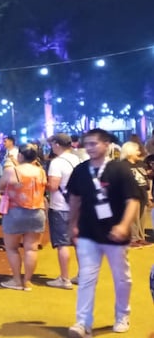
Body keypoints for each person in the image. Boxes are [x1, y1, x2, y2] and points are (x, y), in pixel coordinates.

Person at [67, 129, 140, 337]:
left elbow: (133, 200)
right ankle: (82, 323)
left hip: (115, 235)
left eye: (93, 144)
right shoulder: (81, 170)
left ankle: (122, 315)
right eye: (87, 144)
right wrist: (72, 224)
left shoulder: (120, 170)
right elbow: (75, 198)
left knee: (122, 278)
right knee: (87, 278)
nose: (89, 148)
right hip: (88, 233)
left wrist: (124, 225)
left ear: (106, 144)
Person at [0, 144, 47, 291]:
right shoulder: (41, 172)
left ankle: (17, 280)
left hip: (15, 213)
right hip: (37, 212)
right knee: (31, 249)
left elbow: (0, 186)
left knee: (12, 248)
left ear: (20, 156)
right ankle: (28, 281)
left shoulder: (11, 171)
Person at [45, 134, 81, 290]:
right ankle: (82, 275)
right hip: (77, 206)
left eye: (52, 144)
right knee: (78, 243)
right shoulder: (78, 160)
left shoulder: (56, 163)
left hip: (60, 206)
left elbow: (53, 186)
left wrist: (41, 183)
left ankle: (64, 278)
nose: (51, 147)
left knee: (63, 243)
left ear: (57, 144)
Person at [119, 141, 150, 247]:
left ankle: (141, 238)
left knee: (142, 218)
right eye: (136, 150)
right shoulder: (122, 165)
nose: (139, 152)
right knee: (132, 219)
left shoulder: (141, 164)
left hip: (143, 195)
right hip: (130, 196)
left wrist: (149, 195)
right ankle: (133, 239)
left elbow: (147, 180)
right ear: (130, 151)